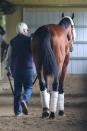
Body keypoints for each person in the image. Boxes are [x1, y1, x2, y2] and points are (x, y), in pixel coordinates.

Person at [5, 22, 33, 116]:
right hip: (28, 68)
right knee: (28, 87)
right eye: (27, 30)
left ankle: (17, 112)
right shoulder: (30, 40)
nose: (27, 32)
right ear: (24, 30)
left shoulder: (12, 41)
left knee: (17, 90)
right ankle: (24, 100)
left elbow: (8, 57)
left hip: (16, 70)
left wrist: (7, 68)